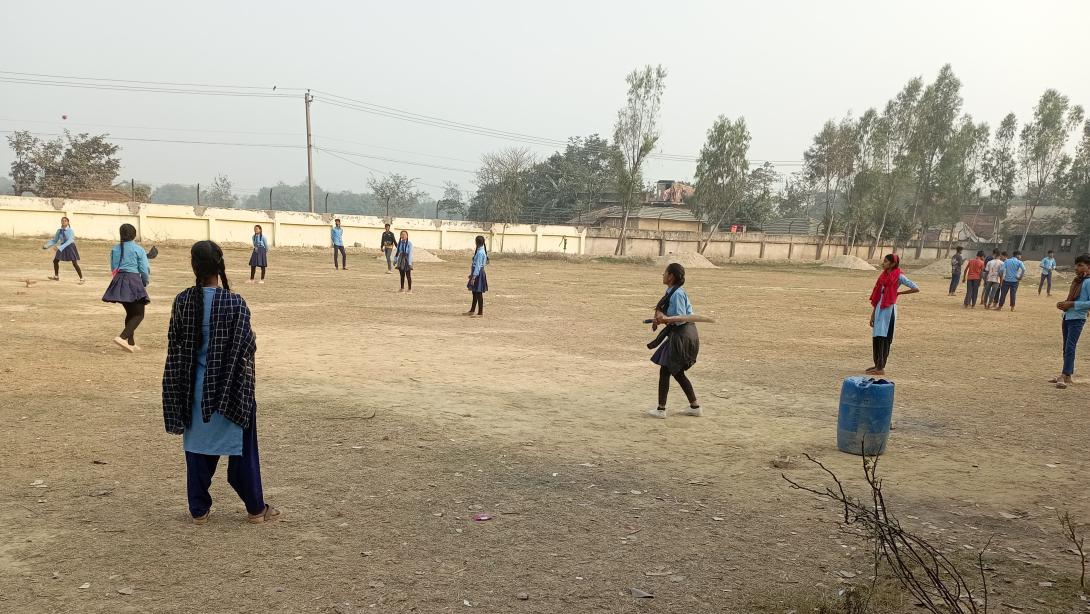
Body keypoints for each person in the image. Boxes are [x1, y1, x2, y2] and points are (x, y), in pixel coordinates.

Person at [162, 240, 280, 525]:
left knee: (197, 451)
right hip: (231, 391)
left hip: (192, 391)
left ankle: (199, 510)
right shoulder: (235, 302)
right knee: (242, 450)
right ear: (221, 265)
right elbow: (246, 347)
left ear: (193, 265)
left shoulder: (182, 300)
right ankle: (255, 509)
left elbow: (174, 346)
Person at [647, 263, 702, 419]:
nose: (663, 275)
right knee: (676, 371)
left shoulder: (677, 294)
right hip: (681, 334)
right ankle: (695, 406)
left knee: (667, 369)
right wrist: (661, 318)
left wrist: (664, 320)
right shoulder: (672, 291)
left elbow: (679, 319)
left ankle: (661, 409)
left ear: (671, 276)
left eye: (665, 273)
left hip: (682, 335)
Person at [867, 254, 919, 376]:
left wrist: (899, 293)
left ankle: (881, 367)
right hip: (880, 307)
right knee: (877, 337)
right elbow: (878, 295)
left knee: (884, 338)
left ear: (892, 264)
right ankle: (877, 364)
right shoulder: (883, 275)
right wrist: (872, 315)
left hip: (889, 310)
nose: (883, 263)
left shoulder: (899, 276)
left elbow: (916, 288)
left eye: (885, 261)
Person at [101, 223, 150, 353]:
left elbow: (113, 268)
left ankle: (131, 342)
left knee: (131, 312)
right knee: (139, 314)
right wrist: (144, 282)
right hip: (133, 280)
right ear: (134, 235)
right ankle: (122, 337)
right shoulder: (138, 249)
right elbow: (144, 270)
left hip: (119, 281)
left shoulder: (115, 249)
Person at [1050, 253, 1090, 389]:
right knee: (1066, 347)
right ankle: (1067, 376)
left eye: (1080, 265)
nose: (1076, 268)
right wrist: (1064, 304)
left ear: (1088, 267)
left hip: (1077, 318)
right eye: (1076, 265)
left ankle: (1065, 373)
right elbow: (1073, 298)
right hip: (1068, 317)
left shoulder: (1088, 282)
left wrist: (1072, 304)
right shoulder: (1077, 281)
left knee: (1070, 347)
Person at [43, 216, 84, 283]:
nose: (63, 222)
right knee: (55, 261)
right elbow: (54, 240)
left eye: (65, 221)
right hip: (62, 246)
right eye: (62, 220)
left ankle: (82, 278)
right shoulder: (59, 231)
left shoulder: (70, 231)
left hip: (70, 247)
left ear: (68, 222)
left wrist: (59, 247)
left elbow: (70, 241)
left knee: (74, 263)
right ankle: (56, 276)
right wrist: (47, 245)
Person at [465, 235, 488, 317]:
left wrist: (473, 277)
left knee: (478, 293)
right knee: (474, 292)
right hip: (477, 272)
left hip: (478, 274)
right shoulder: (481, 251)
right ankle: (472, 310)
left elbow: (478, 265)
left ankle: (480, 313)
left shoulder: (480, 253)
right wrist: (472, 274)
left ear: (476, 242)